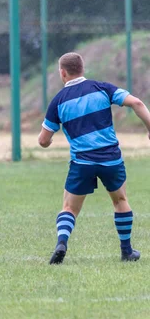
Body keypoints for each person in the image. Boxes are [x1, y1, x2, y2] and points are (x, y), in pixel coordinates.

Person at [38, 52, 150, 264]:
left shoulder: (58, 101)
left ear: (63, 73)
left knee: (69, 207)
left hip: (82, 162)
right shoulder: (102, 88)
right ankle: (126, 251)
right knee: (120, 200)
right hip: (111, 159)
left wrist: (48, 141)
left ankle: (62, 242)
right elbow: (136, 102)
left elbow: (43, 140)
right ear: (82, 69)